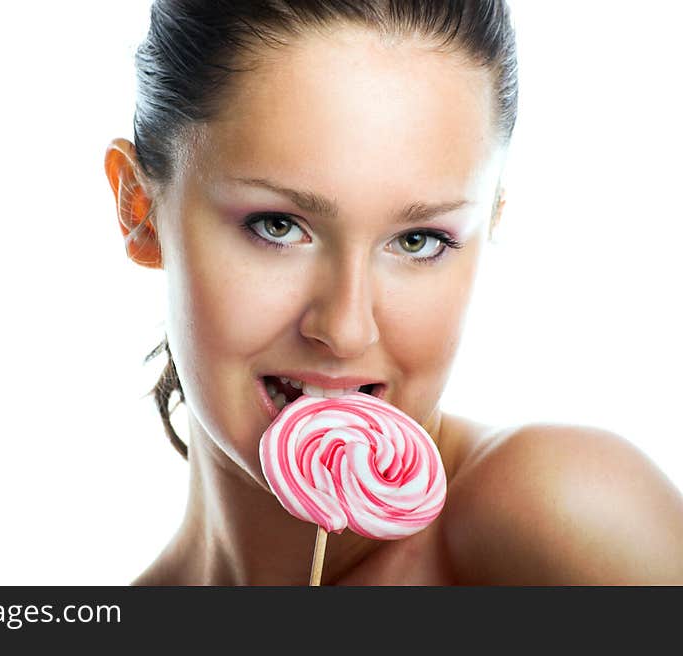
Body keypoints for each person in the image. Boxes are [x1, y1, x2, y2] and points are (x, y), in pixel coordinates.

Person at [104, 0, 683, 585]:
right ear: (141, 212)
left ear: (491, 222)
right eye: (277, 226)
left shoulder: (562, 519)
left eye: (418, 240)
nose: (347, 329)